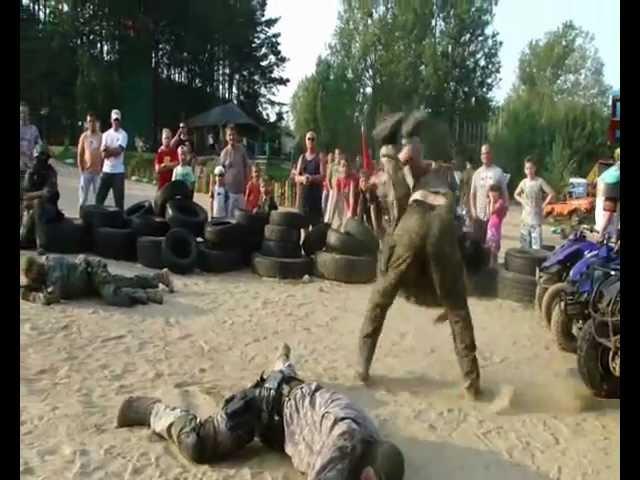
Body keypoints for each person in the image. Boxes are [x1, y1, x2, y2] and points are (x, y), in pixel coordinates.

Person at [115, 342, 405, 480]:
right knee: (198, 445)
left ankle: (282, 365)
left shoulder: (370, 437)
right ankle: (152, 411)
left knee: (292, 390)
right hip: (263, 407)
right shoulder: (346, 439)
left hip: (294, 400)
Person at [357, 111, 481, 400]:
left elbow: (399, 172)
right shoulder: (440, 174)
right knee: (458, 311)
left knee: (380, 298)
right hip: (441, 221)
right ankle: (471, 382)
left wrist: (390, 156)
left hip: (413, 219)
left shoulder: (419, 169)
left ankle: (362, 366)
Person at [20, 255, 174, 307]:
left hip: (92, 272)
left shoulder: (54, 274)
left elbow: (51, 298)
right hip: (89, 280)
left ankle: (148, 294)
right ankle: (159, 277)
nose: (32, 277)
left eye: (31, 274)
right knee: (125, 282)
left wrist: (28, 296)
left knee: (113, 296)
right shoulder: (47, 264)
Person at [20, 144, 63, 253]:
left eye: (44, 158)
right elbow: (24, 194)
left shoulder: (51, 172)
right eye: (38, 158)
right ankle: (24, 239)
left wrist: (32, 196)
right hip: (30, 206)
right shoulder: (30, 172)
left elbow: (48, 193)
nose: (40, 161)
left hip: (49, 208)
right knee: (31, 208)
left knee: (37, 204)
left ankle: (41, 244)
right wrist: (36, 195)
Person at [469, 144, 509, 243]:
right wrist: (473, 211)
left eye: (487, 153)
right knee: (478, 246)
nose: (485, 156)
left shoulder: (498, 172)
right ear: (480, 156)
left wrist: (504, 210)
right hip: (479, 216)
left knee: (492, 248)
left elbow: (504, 192)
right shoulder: (476, 173)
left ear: (491, 154)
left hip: (493, 217)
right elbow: (472, 194)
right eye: (482, 153)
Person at [513, 157, 554, 249]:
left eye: (531, 168)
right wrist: (522, 201)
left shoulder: (539, 181)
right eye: (527, 168)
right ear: (524, 170)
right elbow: (516, 194)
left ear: (535, 168)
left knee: (536, 245)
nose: (529, 170)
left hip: (536, 218)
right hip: (525, 218)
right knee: (525, 244)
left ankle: (536, 262)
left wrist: (544, 204)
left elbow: (551, 193)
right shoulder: (523, 182)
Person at [96, 109, 128, 210]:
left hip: (118, 172)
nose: (116, 122)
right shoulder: (105, 135)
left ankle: (120, 222)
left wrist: (108, 150)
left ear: (120, 121)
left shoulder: (123, 135)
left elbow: (119, 151)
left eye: (117, 120)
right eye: (114, 120)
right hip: (106, 171)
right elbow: (103, 155)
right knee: (99, 199)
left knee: (119, 201)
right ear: (111, 120)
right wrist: (110, 152)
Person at [219, 124, 251, 217]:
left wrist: (247, 182)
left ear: (236, 136)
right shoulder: (224, 153)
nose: (232, 137)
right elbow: (220, 172)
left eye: (233, 135)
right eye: (229, 135)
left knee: (242, 217)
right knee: (229, 217)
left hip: (241, 191)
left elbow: (247, 166)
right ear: (226, 137)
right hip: (229, 191)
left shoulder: (241, 150)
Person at [294, 131, 325, 227]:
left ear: (316, 141)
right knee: (304, 227)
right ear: (306, 141)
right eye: (309, 139)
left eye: (313, 139)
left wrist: (311, 178)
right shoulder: (302, 157)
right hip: (304, 198)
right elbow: (296, 177)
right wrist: (303, 178)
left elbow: (323, 176)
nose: (311, 141)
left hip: (315, 199)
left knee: (316, 228)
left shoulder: (320, 157)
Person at [76, 112, 103, 208]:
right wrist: (81, 169)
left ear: (96, 123)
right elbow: (80, 153)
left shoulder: (101, 136)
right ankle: (81, 215)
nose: (91, 123)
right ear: (87, 123)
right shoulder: (84, 136)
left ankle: (98, 218)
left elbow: (103, 153)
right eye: (89, 121)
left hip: (97, 172)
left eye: (93, 121)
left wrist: (102, 169)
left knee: (99, 198)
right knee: (83, 198)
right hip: (86, 172)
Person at [595, 147, 620, 242]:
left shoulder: (610, 171)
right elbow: (609, 212)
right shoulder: (615, 176)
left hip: (602, 226)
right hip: (606, 233)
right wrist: (602, 233)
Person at [20, 102, 43, 189]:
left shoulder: (33, 129)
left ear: (28, 114)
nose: (23, 115)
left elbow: (39, 144)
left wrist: (40, 150)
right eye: (21, 112)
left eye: (25, 113)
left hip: (30, 167)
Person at [485, 184, 508, 268]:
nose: (493, 194)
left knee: (494, 248)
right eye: (492, 192)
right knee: (490, 248)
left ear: (499, 193)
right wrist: (489, 203)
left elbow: (492, 211)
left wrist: (491, 200)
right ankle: (491, 265)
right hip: (490, 227)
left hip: (495, 229)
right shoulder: (493, 203)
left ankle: (493, 266)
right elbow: (488, 214)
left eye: (495, 192)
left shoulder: (500, 202)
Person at [356, 169, 382, 237]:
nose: (363, 183)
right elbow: (360, 211)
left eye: (365, 181)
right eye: (362, 181)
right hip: (368, 214)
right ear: (359, 182)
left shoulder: (370, 192)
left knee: (377, 231)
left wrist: (376, 228)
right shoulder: (360, 192)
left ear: (368, 182)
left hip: (378, 213)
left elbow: (373, 211)